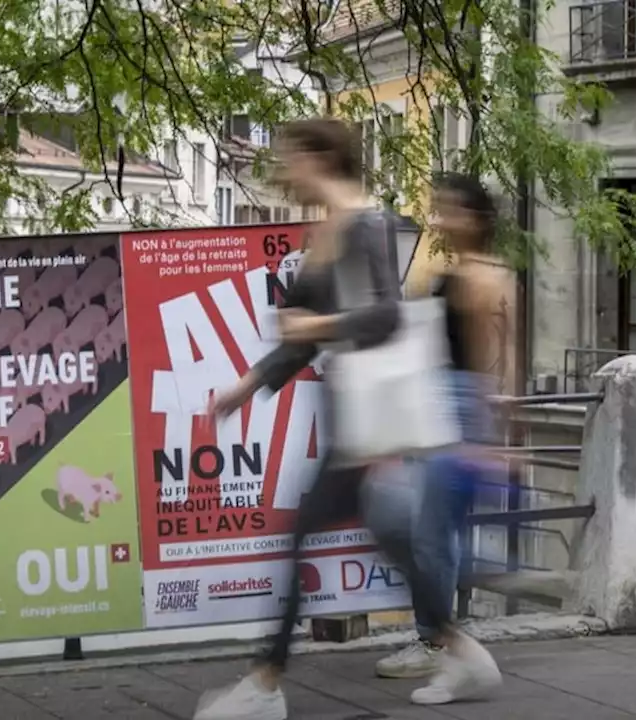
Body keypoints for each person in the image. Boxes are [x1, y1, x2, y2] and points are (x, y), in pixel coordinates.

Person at [192, 117, 404, 720]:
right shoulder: (325, 231)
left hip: (368, 418)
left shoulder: (366, 222)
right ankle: (456, 643)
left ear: (319, 158)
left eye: (289, 158)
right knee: (396, 539)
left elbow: (387, 317)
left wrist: (318, 326)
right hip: (349, 415)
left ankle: (265, 684)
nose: (282, 172)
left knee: (304, 532)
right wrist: (247, 386)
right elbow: (299, 340)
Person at [394, 172, 515, 703]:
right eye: (437, 209)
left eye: (449, 210)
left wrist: (488, 430)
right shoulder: (457, 272)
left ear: (476, 219)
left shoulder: (485, 277)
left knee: (429, 535)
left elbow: (496, 354)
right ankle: (442, 639)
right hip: (441, 403)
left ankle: (441, 645)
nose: (440, 219)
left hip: (459, 407)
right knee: (431, 533)